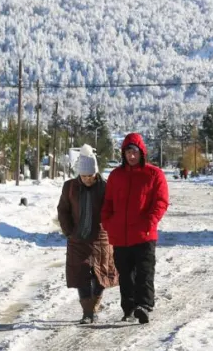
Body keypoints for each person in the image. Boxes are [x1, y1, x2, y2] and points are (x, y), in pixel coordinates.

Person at [101, 132, 170, 324]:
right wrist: (107, 222)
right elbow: (108, 202)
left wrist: (150, 221)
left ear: (142, 153)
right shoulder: (116, 176)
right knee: (125, 275)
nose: (131, 156)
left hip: (144, 234)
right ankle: (129, 308)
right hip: (120, 235)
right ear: (123, 153)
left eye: (135, 152)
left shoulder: (154, 174)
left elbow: (161, 202)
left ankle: (144, 306)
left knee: (144, 272)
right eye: (128, 152)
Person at [57, 145, 118, 324]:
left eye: (90, 176)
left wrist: (111, 229)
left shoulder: (106, 187)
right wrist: (69, 231)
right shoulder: (70, 187)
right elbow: (63, 210)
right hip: (78, 238)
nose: (87, 179)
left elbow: (114, 210)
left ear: (96, 173)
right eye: (84, 176)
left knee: (101, 275)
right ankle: (87, 312)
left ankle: (95, 306)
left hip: (101, 237)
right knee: (81, 273)